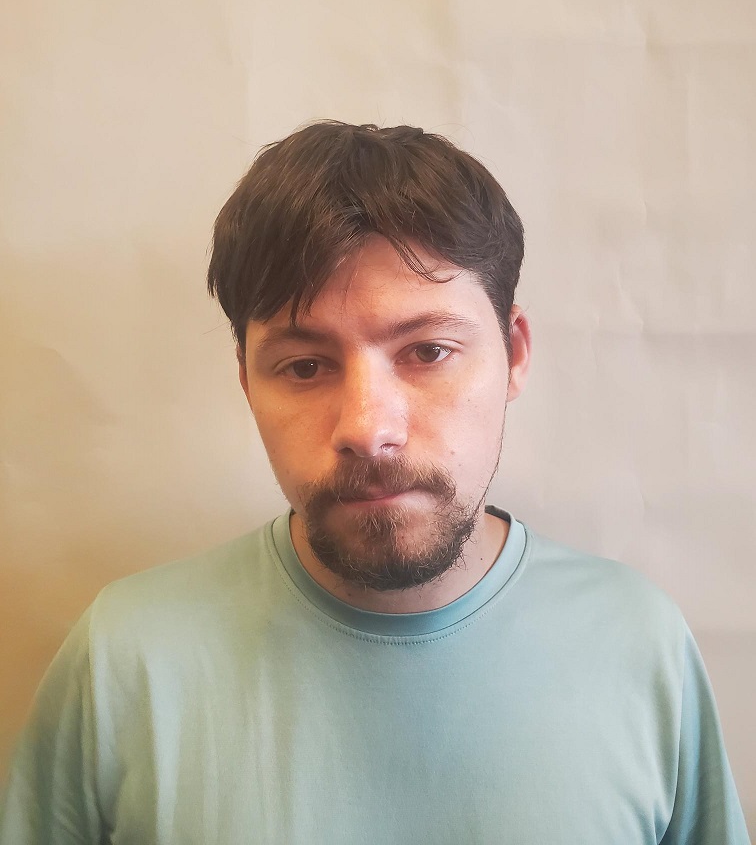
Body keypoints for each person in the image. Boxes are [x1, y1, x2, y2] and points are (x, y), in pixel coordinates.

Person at [1, 122, 749, 844]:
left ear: (514, 354)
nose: (367, 427)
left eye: (428, 351)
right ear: (247, 382)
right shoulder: (124, 659)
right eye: (304, 366)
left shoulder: (637, 641)